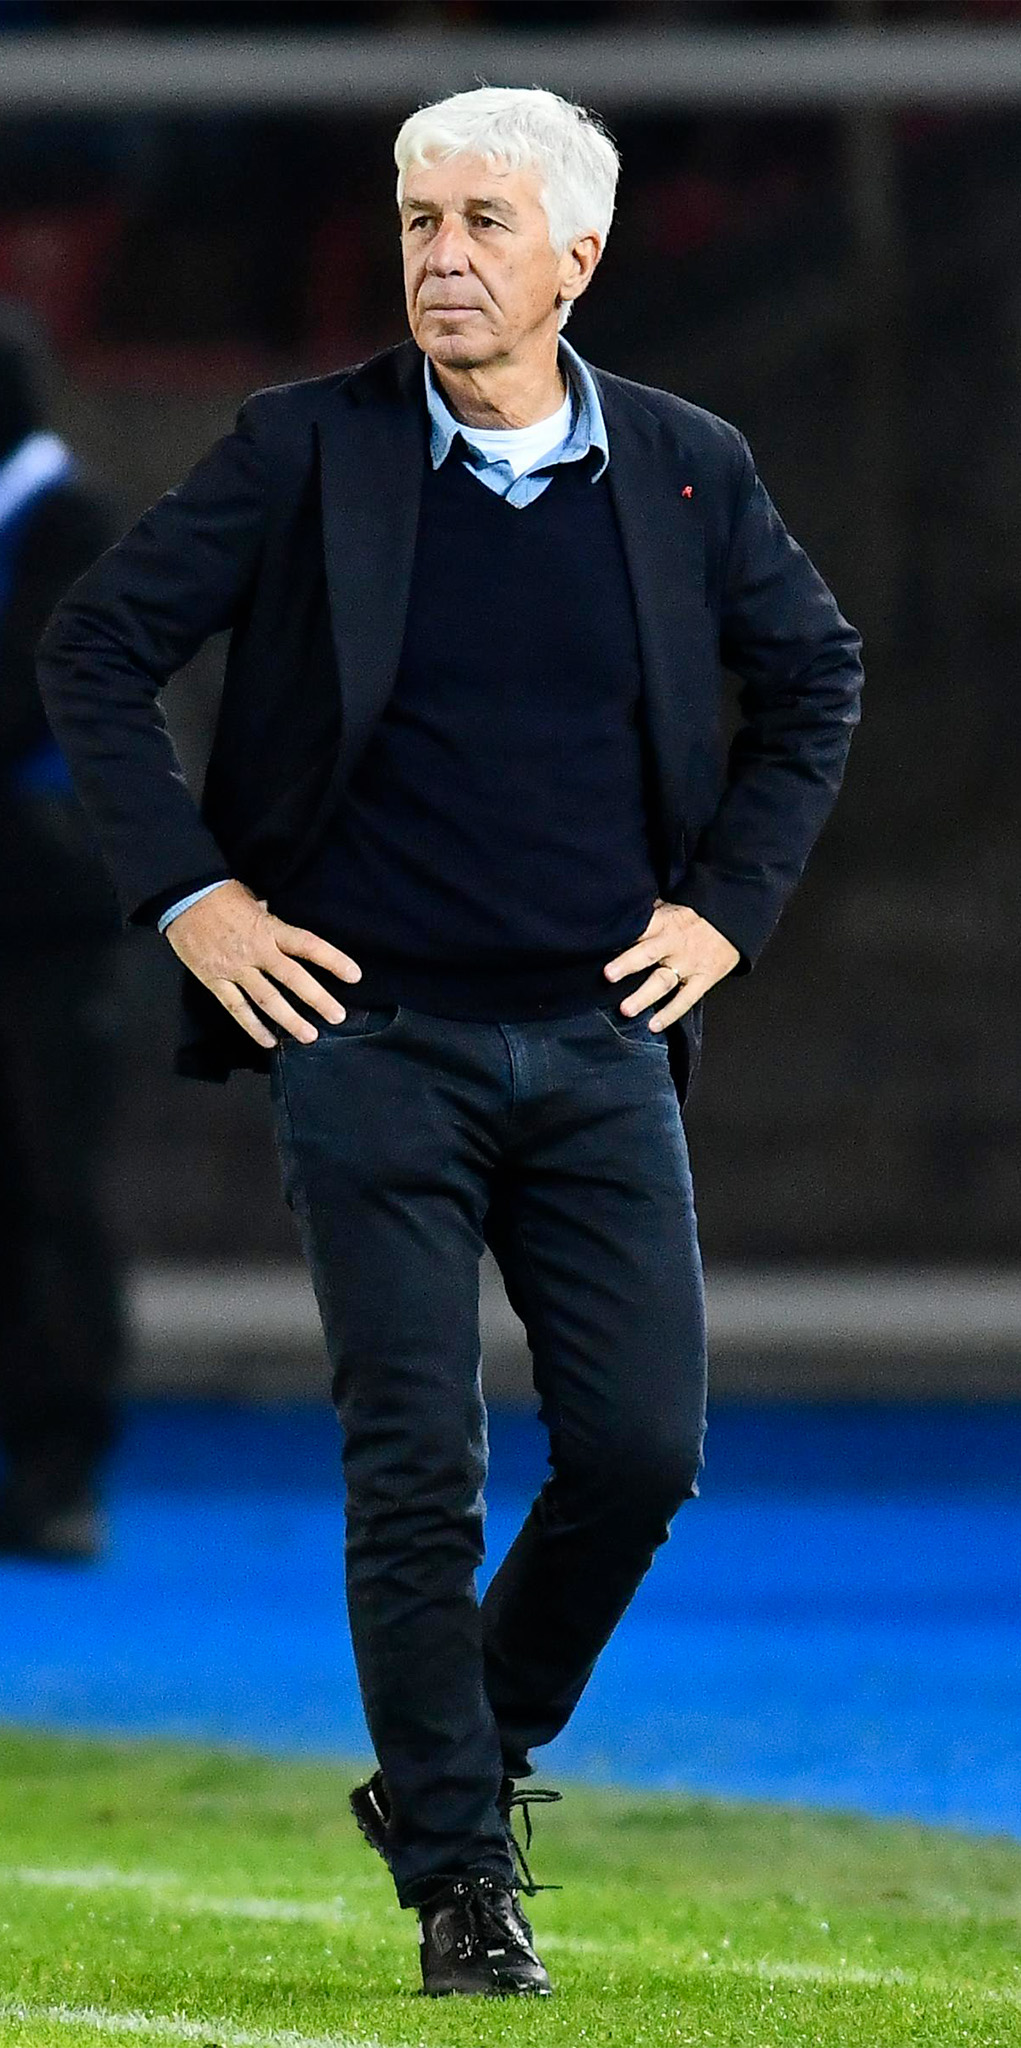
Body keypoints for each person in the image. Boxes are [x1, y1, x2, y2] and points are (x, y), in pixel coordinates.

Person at [35, 86, 864, 1996]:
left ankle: (453, 1757)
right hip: (371, 1039)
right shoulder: (301, 448)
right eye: (419, 220)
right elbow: (93, 645)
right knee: (414, 1457)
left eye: (485, 222)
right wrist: (196, 896)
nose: (442, 256)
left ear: (579, 255)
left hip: (597, 1040)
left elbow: (815, 673)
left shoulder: (685, 468)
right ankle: (462, 1880)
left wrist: (728, 909)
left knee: (643, 1448)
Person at [0, 299, 126, 1565]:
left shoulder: (65, 521)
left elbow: (25, 692)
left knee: (50, 1183)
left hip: (44, 913)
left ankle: (58, 1461)